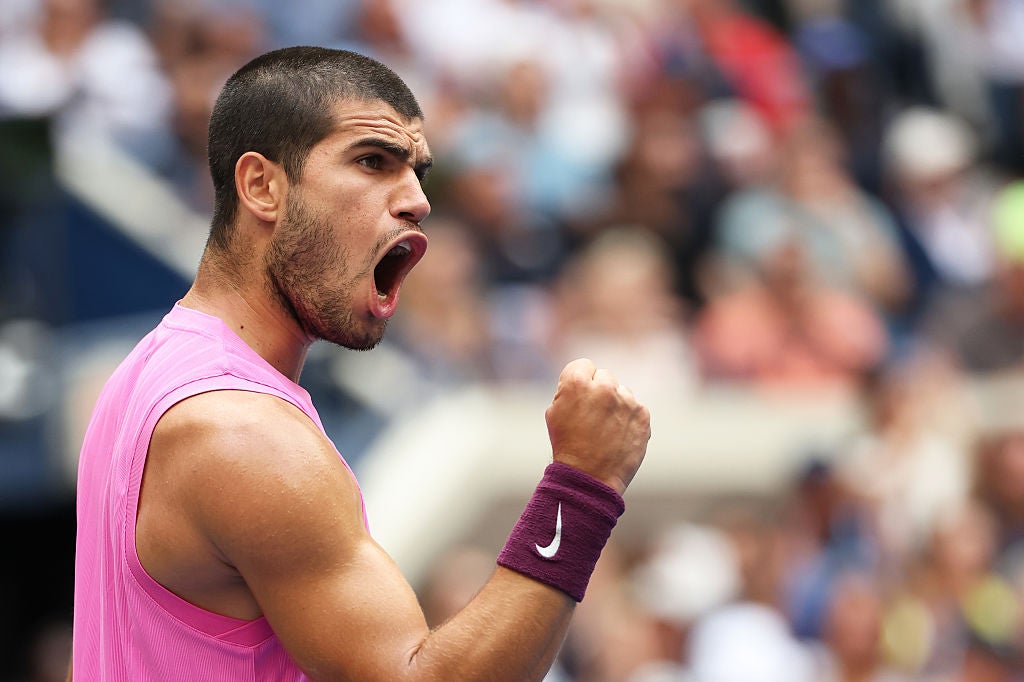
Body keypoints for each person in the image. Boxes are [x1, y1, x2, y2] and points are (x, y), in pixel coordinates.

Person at [68, 46, 651, 680]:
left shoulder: (152, 372)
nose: (417, 201)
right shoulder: (243, 431)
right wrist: (583, 484)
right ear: (262, 186)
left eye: (417, 172)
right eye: (372, 161)